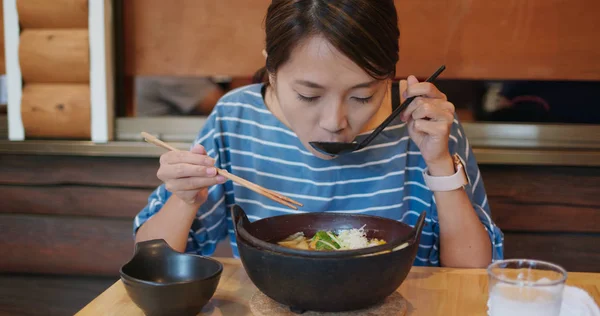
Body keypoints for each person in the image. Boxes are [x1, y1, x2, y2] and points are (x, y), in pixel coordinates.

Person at [133, 0, 503, 268]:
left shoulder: (424, 123)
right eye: (308, 95)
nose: (334, 121)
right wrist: (184, 200)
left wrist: (439, 163)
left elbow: (473, 272)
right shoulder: (238, 117)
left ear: (390, 76)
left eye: (362, 96)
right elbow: (153, 257)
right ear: (272, 71)